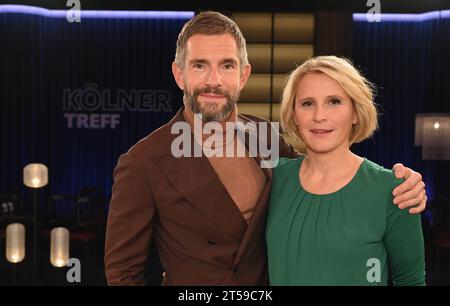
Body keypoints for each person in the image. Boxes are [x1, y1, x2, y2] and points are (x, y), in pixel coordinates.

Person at [104, 12, 427, 285]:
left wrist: (400, 183)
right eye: (200, 65)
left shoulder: (267, 139)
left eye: (227, 66)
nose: (213, 80)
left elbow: (327, 170)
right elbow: (122, 273)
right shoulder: (143, 161)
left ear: (244, 75)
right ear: (179, 74)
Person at [266, 56, 426, 286]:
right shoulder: (273, 178)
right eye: (307, 103)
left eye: (334, 101)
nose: (319, 116)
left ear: (355, 113)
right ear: (294, 114)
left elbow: (411, 280)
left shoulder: (395, 190)